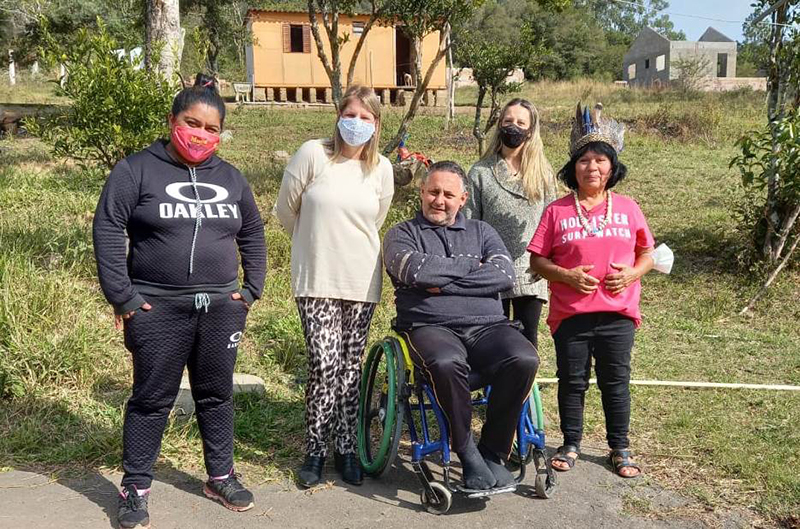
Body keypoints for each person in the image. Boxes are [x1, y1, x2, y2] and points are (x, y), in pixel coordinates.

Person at [93, 74, 267, 528]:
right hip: (156, 307)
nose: (201, 135)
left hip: (221, 307)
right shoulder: (135, 170)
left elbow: (252, 232)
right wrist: (123, 296)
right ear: (172, 121)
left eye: (212, 129)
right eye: (192, 123)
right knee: (152, 398)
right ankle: (135, 487)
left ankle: (220, 474)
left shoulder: (231, 178)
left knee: (216, 393)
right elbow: (109, 229)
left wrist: (251, 291)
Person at [383, 161, 540, 491]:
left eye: (448, 194)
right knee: (445, 362)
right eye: (433, 192)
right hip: (429, 325)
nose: (439, 200)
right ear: (422, 192)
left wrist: (442, 281)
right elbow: (413, 271)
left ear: (463, 199)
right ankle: (466, 450)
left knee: (525, 358)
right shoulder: (401, 234)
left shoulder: (483, 231)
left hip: (487, 325)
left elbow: (503, 274)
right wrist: (473, 268)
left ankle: (493, 451)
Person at [274, 84, 394, 488]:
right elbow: (285, 211)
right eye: (351, 115)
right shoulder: (313, 154)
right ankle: (314, 449)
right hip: (317, 278)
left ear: (376, 124)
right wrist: (314, 243)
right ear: (338, 116)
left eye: (366, 117)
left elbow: (374, 222)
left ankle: (346, 448)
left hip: (361, 281)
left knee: (349, 371)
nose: (356, 123)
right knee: (324, 364)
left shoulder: (382, 169)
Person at [528, 103, 655, 478]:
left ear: (612, 167)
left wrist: (632, 274)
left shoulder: (629, 208)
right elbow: (536, 262)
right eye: (584, 160)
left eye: (600, 160)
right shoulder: (556, 211)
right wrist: (565, 276)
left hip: (617, 313)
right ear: (573, 168)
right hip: (571, 315)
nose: (592, 167)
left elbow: (648, 253)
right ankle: (570, 443)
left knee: (616, 382)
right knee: (572, 381)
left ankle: (620, 447)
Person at [465, 98, 559, 350]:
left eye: (520, 122)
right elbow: (469, 222)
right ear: (499, 125)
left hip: (530, 271)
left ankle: (523, 391)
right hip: (489, 270)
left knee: (527, 344)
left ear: (530, 129)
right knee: (491, 342)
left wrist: (549, 262)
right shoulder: (480, 172)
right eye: (508, 121)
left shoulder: (543, 174)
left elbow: (552, 220)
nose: (513, 127)